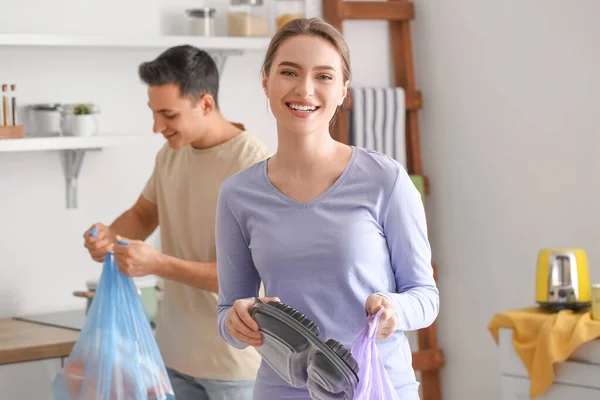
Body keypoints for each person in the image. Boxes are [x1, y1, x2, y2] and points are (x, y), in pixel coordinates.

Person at [215, 17, 440, 399]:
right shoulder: (237, 195)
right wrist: (237, 322)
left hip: (376, 387)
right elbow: (227, 313)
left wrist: (393, 312)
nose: (305, 89)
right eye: (289, 72)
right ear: (266, 81)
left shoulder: (385, 179)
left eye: (324, 76)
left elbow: (425, 296)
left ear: (342, 91)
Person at [83, 45, 270, 399]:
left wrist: (158, 265)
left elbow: (248, 276)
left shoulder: (252, 164)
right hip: (172, 358)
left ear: (206, 104)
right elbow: (142, 214)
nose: (157, 127)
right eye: (154, 113)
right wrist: (108, 236)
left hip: (233, 364)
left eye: (168, 114)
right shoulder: (171, 155)